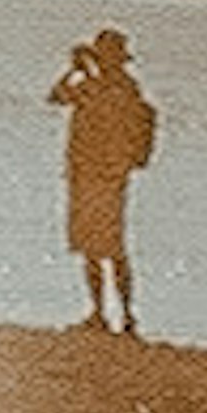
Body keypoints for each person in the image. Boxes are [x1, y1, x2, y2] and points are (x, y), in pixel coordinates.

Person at [47, 24, 155, 334]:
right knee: (99, 248)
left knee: (105, 248)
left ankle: (115, 313)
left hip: (98, 174)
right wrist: (76, 71)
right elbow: (55, 97)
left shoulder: (105, 88)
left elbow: (57, 96)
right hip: (101, 174)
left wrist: (75, 70)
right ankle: (111, 314)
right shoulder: (118, 87)